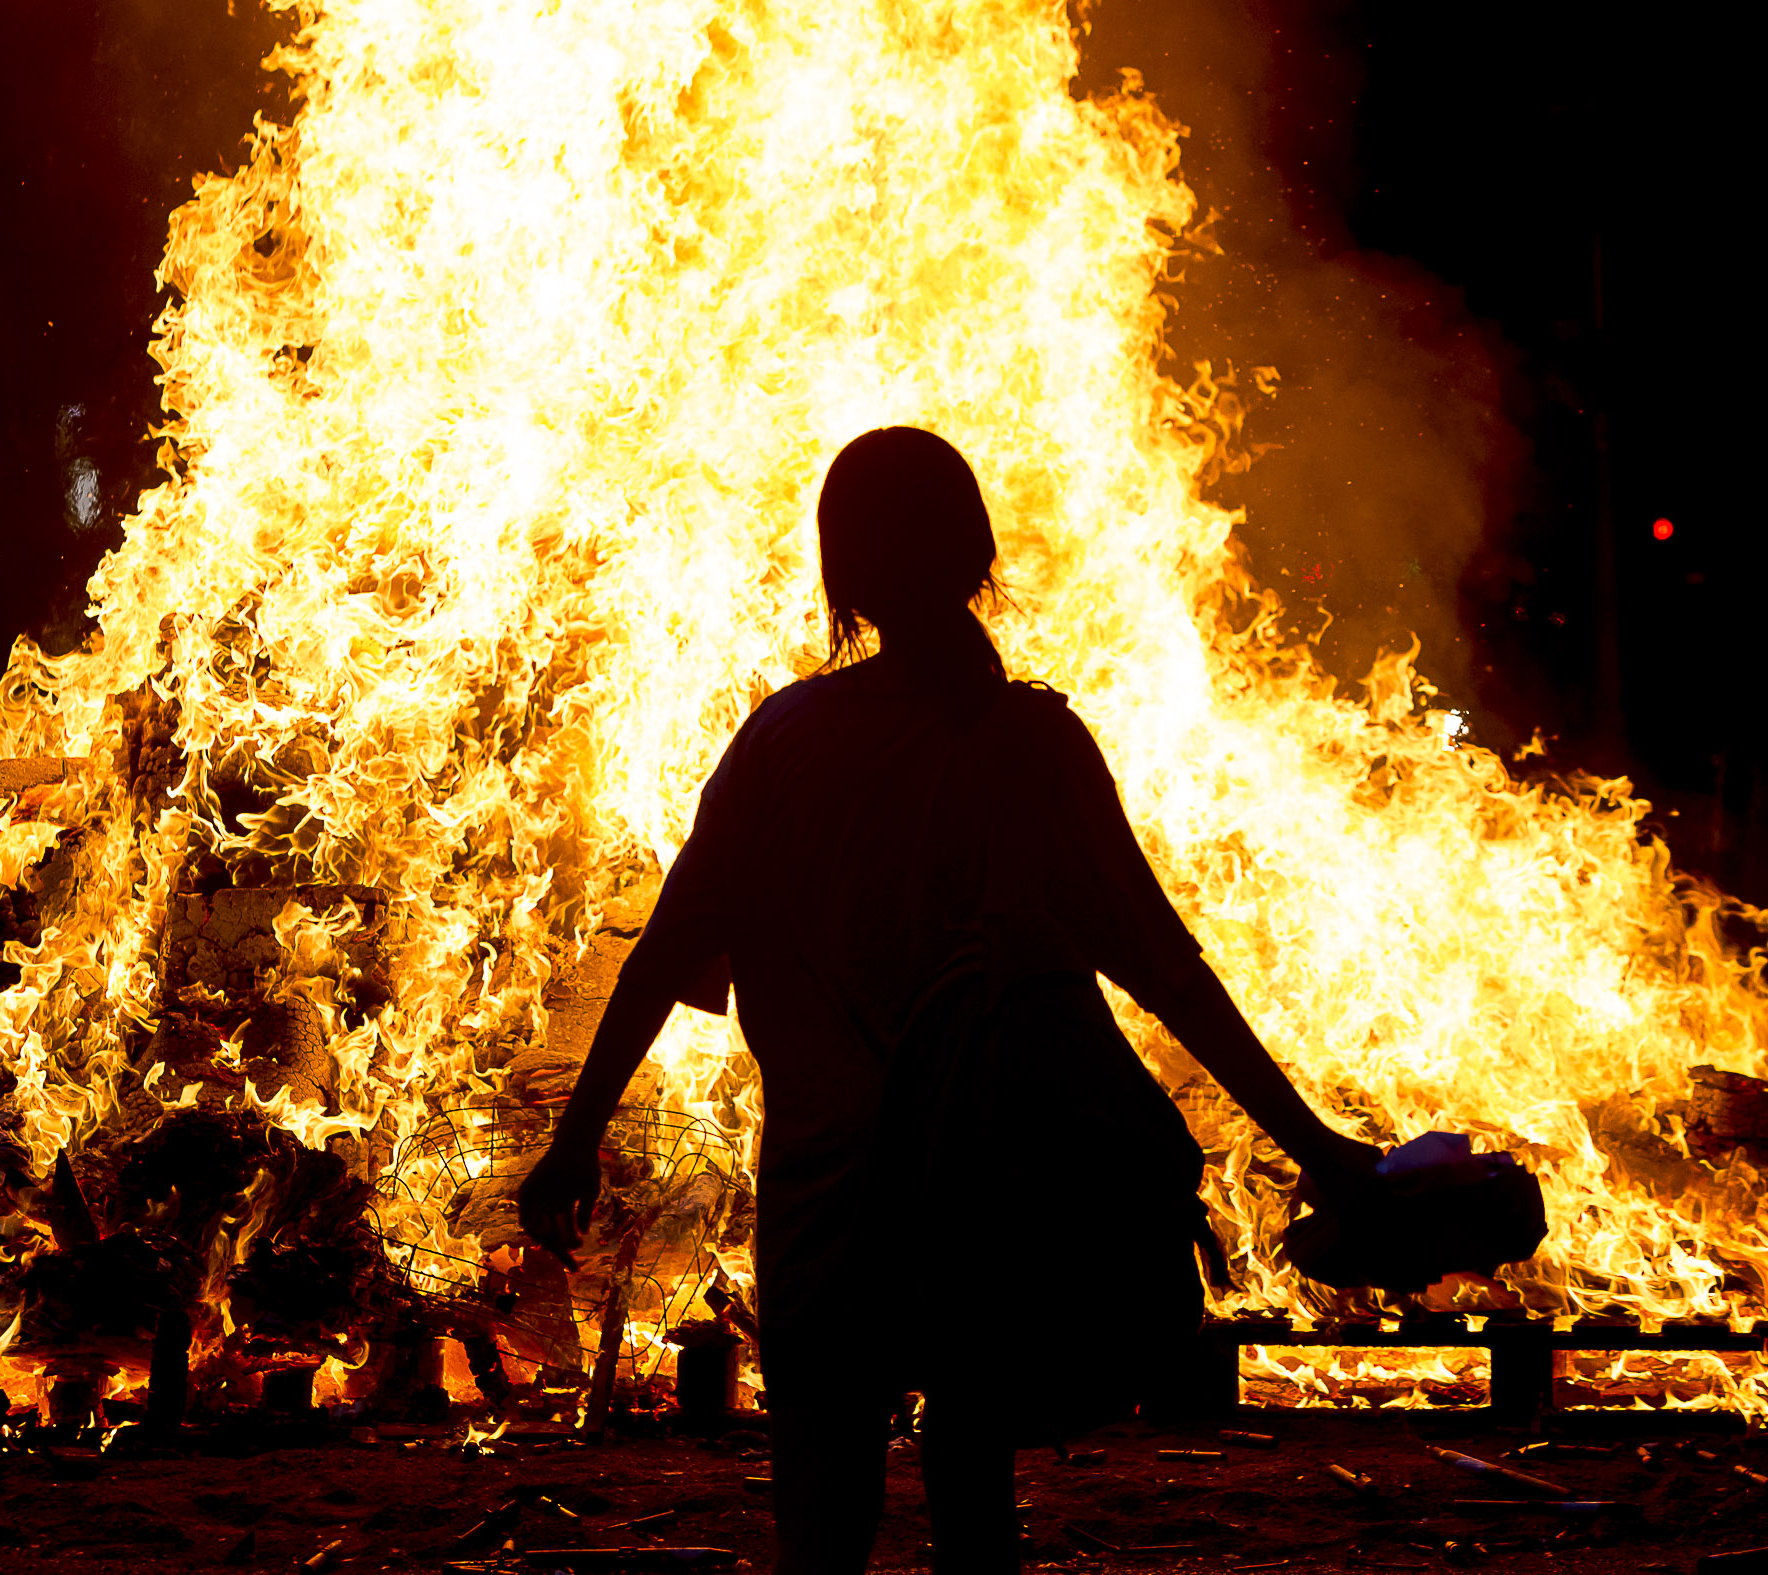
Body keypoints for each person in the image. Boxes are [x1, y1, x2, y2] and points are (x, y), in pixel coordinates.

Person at [518, 428, 1386, 1574]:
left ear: (847, 576)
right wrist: (1314, 1147)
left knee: (823, 1503)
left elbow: (668, 947)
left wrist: (574, 1141)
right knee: (972, 1474)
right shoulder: (1036, 747)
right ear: (976, 553)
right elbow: (1166, 970)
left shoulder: (784, 741)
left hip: (828, 1201)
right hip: (987, 1189)